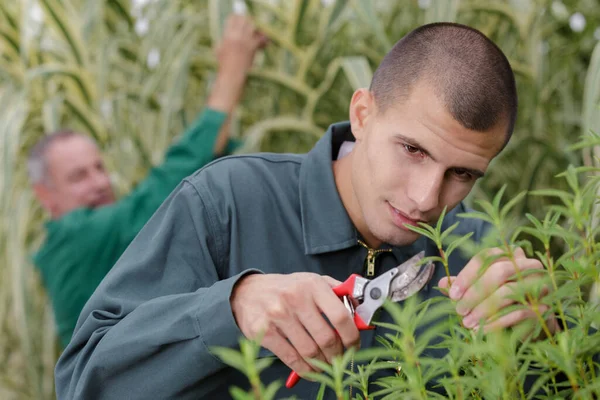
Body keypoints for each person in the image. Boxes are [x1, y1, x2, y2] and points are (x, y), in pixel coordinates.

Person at [55, 22, 559, 399]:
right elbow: (82, 382)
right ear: (362, 114)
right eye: (413, 150)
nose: (427, 198)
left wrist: (551, 338)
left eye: (463, 174)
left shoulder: (475, 251)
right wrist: (231, 308)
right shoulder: (228, 200)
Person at [29, 15, 268, 348]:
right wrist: (232, 68)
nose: (99, 182)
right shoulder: (74, 238)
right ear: (45, 195)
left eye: (99, 168)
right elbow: (170, 184)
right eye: (78, 177)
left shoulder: (103, 243)